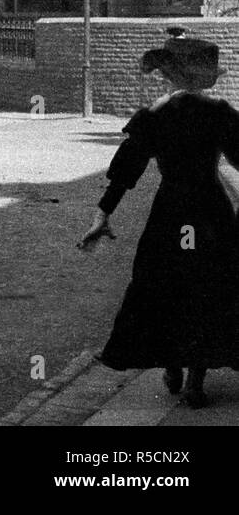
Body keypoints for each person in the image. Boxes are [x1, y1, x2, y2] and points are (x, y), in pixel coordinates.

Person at [78, 34, 239, 408]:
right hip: (209, 209)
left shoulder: (155, 115)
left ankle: (172, 364)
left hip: (171, 211)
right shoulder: (221, 112)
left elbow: (125, 172)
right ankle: (196, 378)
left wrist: (102, 215)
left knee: (166, 282)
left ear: (170, 74)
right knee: (209, 283)